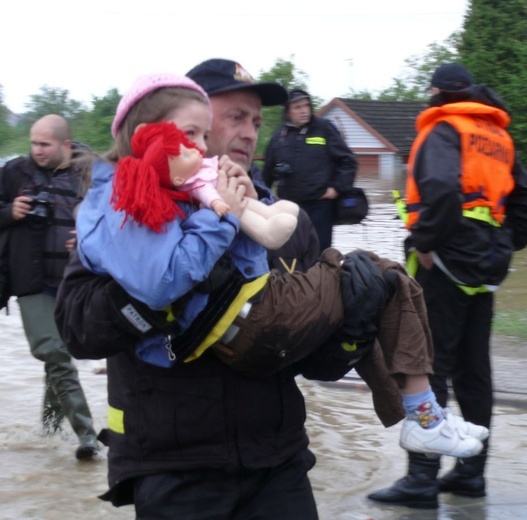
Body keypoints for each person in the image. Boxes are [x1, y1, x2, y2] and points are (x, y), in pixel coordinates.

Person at [54, 61, 484, 519]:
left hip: (278, 463)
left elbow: (315, 363)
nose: (249, 133)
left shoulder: (280, 220)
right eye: (235, 117)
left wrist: (352, 331)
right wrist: (163, 294)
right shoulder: (130, 208)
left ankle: (419, 413)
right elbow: (77, 329)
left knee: (377, 280)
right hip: (172, 466)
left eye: (257, 122)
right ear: (173, 123)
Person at [367, 63, 527, 509]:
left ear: (436, 92)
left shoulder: (443, 129)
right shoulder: (498, 138)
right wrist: (500, 245)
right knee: (474, 371)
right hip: (484, 265)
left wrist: (426, 243)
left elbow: (444, 194)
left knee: (426, 366)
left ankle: (422, 480)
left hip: (445, 262)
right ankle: (471, 474)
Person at [0, 114, 99, 460]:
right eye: (33, 143)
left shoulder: (89, 173)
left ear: (65, 146)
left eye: (44, 144)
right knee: (54, 353)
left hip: (73, 282)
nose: (36, 151)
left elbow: (113, 217)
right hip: (30, 282)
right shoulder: (14, 172)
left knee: (59, 358)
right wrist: (10, 210)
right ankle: (88, 435)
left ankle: (49, 434)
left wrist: (88, 238)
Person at [112, 120, 299, 250]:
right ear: (177, 180)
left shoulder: (207, 166)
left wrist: (255, 195)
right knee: (243, 214)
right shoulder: (194, 183)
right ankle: (267, 231)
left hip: (235, 197)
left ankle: (270, 212)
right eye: (190, 134)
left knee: (247, 204)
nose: (197, 148)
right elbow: (206, 193)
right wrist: (218, 203)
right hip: (227, 205)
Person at [262, 88, 358, 252]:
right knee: (288, 254)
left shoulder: (324, 129)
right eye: (297, 107)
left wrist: (336, 188)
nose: (304, 110)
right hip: (288, 207)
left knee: (319, 254)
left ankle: (322, 278)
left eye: (306, 105)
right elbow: (267, 173)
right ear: (288, 112)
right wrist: (262, 202)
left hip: (320, 206)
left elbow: (348, 161)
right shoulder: (279, 136)